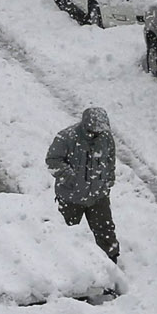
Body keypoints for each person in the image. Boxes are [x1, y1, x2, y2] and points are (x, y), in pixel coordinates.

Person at [45, 106, 120, 261]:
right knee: (66, 234)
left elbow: (110, 159)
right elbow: (52, 161)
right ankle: (64, 263)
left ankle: (110, 262)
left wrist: (108, 181)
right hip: (70, 197)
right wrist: (71, 178)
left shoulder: (106, 138)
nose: (99, 133)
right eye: (95, 130)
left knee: (105, 231)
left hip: (98, 196)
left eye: (101, 130)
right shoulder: (66, 138)